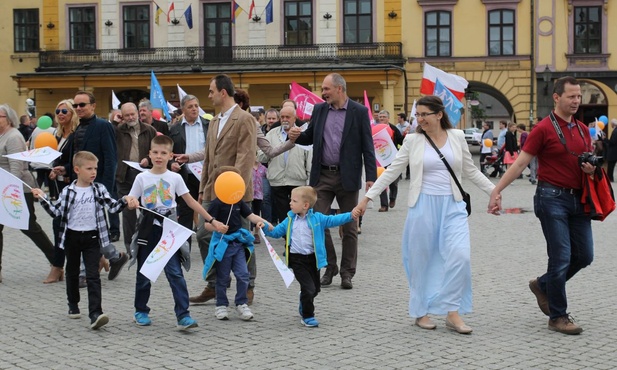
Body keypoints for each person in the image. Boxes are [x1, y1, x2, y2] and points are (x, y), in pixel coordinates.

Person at [354, 96, 495, 334]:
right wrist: (367, 198)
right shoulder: (412, 140)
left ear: (439, 114)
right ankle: (420, 312)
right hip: (422, 206)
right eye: (417, 115)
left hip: (453, 206)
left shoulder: (457, 137)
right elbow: (392, 171)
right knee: (420, 260)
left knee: (460, 256)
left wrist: (495, 191)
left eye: (424, 114)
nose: (419, 119)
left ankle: (452, 312)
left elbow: (470, 170)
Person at [488, 76, 595, 335]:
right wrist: (496, 190)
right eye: (571, 96)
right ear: (556, 98)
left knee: (584, 256)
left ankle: (542, 285)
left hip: (578, 198)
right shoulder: (543, 129)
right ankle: (558, 316)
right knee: (561, 258)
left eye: (579, 96)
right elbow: (521, 163)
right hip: (551, 198)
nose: (576, 101)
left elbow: (588, 164)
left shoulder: (582, 129)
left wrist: (591, 170)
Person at [127, 135, 227, 330]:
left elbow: (190, 202)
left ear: (170, 155)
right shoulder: (141, 177)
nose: (158, 156)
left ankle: (183, 314)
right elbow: (131, 196)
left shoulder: (175, 178)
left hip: (169, 231)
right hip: (147, 230)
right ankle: (141, 310)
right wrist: (130, 201)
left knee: (175, 273)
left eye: (163, 153)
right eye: (155, 152)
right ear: (149, 153)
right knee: (144, 273)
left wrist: (211, 219)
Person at [290, 73, 377, 289]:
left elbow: (368, 145)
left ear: (339, 89)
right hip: (322, 176)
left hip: (347, 176)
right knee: (318, 221)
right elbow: (309, 136)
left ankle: (347, 273)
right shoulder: (319, 110)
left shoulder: (359, 112)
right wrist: (294, 135)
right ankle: (330, 266)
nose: (323, 92)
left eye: (326, 88)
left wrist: (371, 178)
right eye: (323, 89)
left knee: (349, 226)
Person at [33, 151, 138, 329]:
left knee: (93, 275)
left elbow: (112, 207)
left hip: (92, 238)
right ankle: (73, 304)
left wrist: (125, 201)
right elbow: (56, 212)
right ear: (77, 170)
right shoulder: (68, 191)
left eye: (95, 168)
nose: (93, 172)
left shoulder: (99, 189)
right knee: (73, 274)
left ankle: (95, 313)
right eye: (89, 168)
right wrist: (42, 198)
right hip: (72, 238)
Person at [264, 186, 359, 327]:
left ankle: (304, 298)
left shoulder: (318, 219)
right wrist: (265, 227)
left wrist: (351, 215)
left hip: (313, 260)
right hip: (297, 260)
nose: (290, 203)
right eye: (291, 200)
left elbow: (334, 220)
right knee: (308, 288)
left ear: (305, 205)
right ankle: (307, 315)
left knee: (315, 289)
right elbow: (276, 232)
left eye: (294, 201)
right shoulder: (289, 219)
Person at [0, 104, 55, 284]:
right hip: (3, 190)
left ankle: (57, 261)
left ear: (8, 118)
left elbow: (16, 168)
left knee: (30, 228)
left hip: (17, 190)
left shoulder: (14, 137)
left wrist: (8, 191)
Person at [203, 166, 266, 321]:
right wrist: (217, 226)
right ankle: (221, 305)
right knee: (223, 277)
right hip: (223, 245)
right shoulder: (216, 203)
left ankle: (241, 303)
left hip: (238, 244)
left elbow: (251, 216)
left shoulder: (238, 201)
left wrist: (266, 224)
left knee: (243, 275)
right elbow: (206, 224)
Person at [43, 99, 79, 284]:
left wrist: (64, 169)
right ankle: (101, 259)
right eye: (57, 111)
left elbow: (75, 160)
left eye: (64, 110)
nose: (60, 114)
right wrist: (52, 169)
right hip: (57, 187)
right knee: (61, 225)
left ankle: (57, 267)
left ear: (72, 113)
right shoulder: (56, 135)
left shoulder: (76, 135)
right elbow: (53, 158)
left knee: (62, 226)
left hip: (70, 185)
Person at [258, 105, 312, 224]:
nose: (284, 119)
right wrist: (273, 151)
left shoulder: (303, 133)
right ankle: (287, 239)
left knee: (298, 213)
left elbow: (309, 158)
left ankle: (297, 238)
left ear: (295, 118)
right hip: (278, 180)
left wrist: (310, 179)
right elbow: (260, 156)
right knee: (283, 215)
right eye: (282, 117)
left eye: (288, 117)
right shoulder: (271, 134)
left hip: (297, 180)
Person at [115, 102, 158, 252]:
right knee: (128, 213)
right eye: (126, 115)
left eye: (132, 114)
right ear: (122, 116)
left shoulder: (149, 130)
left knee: (148, 211)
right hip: (124, 175)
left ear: (138, 113)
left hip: (145, 175)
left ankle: (147, 243)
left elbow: (156, 150)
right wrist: (115, 121)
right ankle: (130, 247)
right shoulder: (118, 130)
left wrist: (148, 158)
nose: (130, 117)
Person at [377, 110, 403, 212]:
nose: (382, 118)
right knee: (381, 180)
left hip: (393, 158)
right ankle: (384, 205)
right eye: (380, 117)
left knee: (393, 181)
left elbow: (401, 141)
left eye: (384, 117)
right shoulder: (375, 129)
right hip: (380, 159)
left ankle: (392, 198)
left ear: (388, 118)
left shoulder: (393, 128)